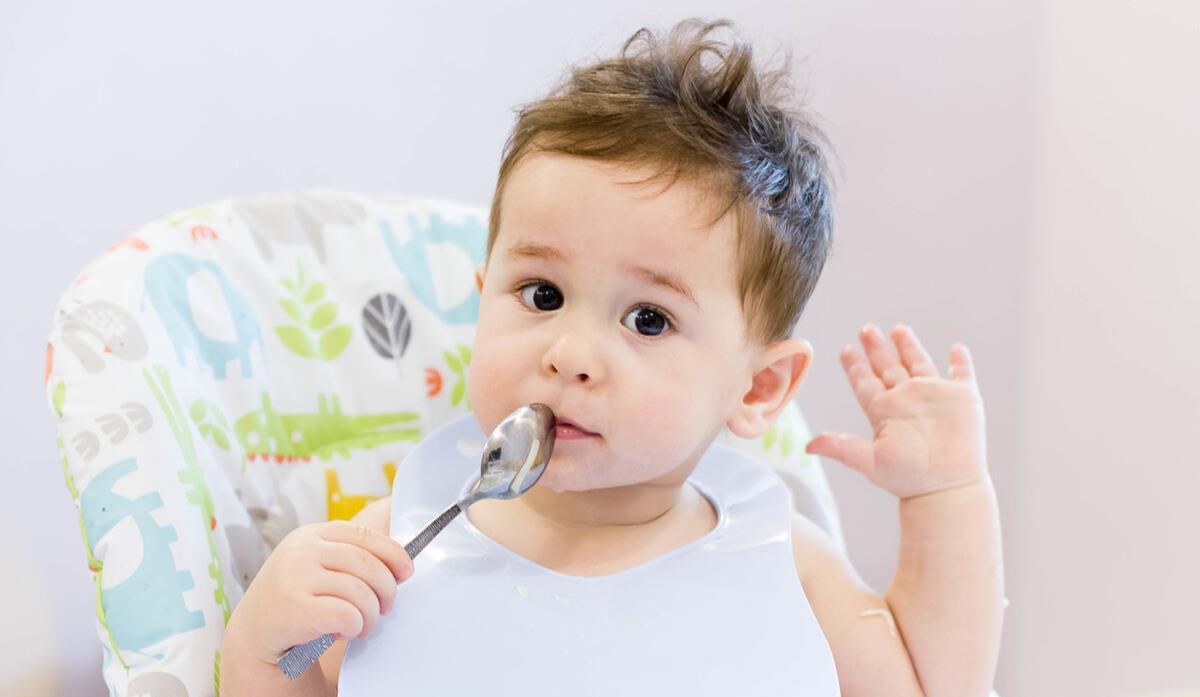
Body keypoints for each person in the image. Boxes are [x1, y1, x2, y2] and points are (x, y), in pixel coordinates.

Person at [220, 17, 1004, 696]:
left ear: (758, 386)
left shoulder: (776, 560)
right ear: (483, 292)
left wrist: (946, 496)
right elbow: (303, 679)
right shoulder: (403, 544)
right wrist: (262, 638)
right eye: (542, 294)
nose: (571, 354)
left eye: (649, 318)